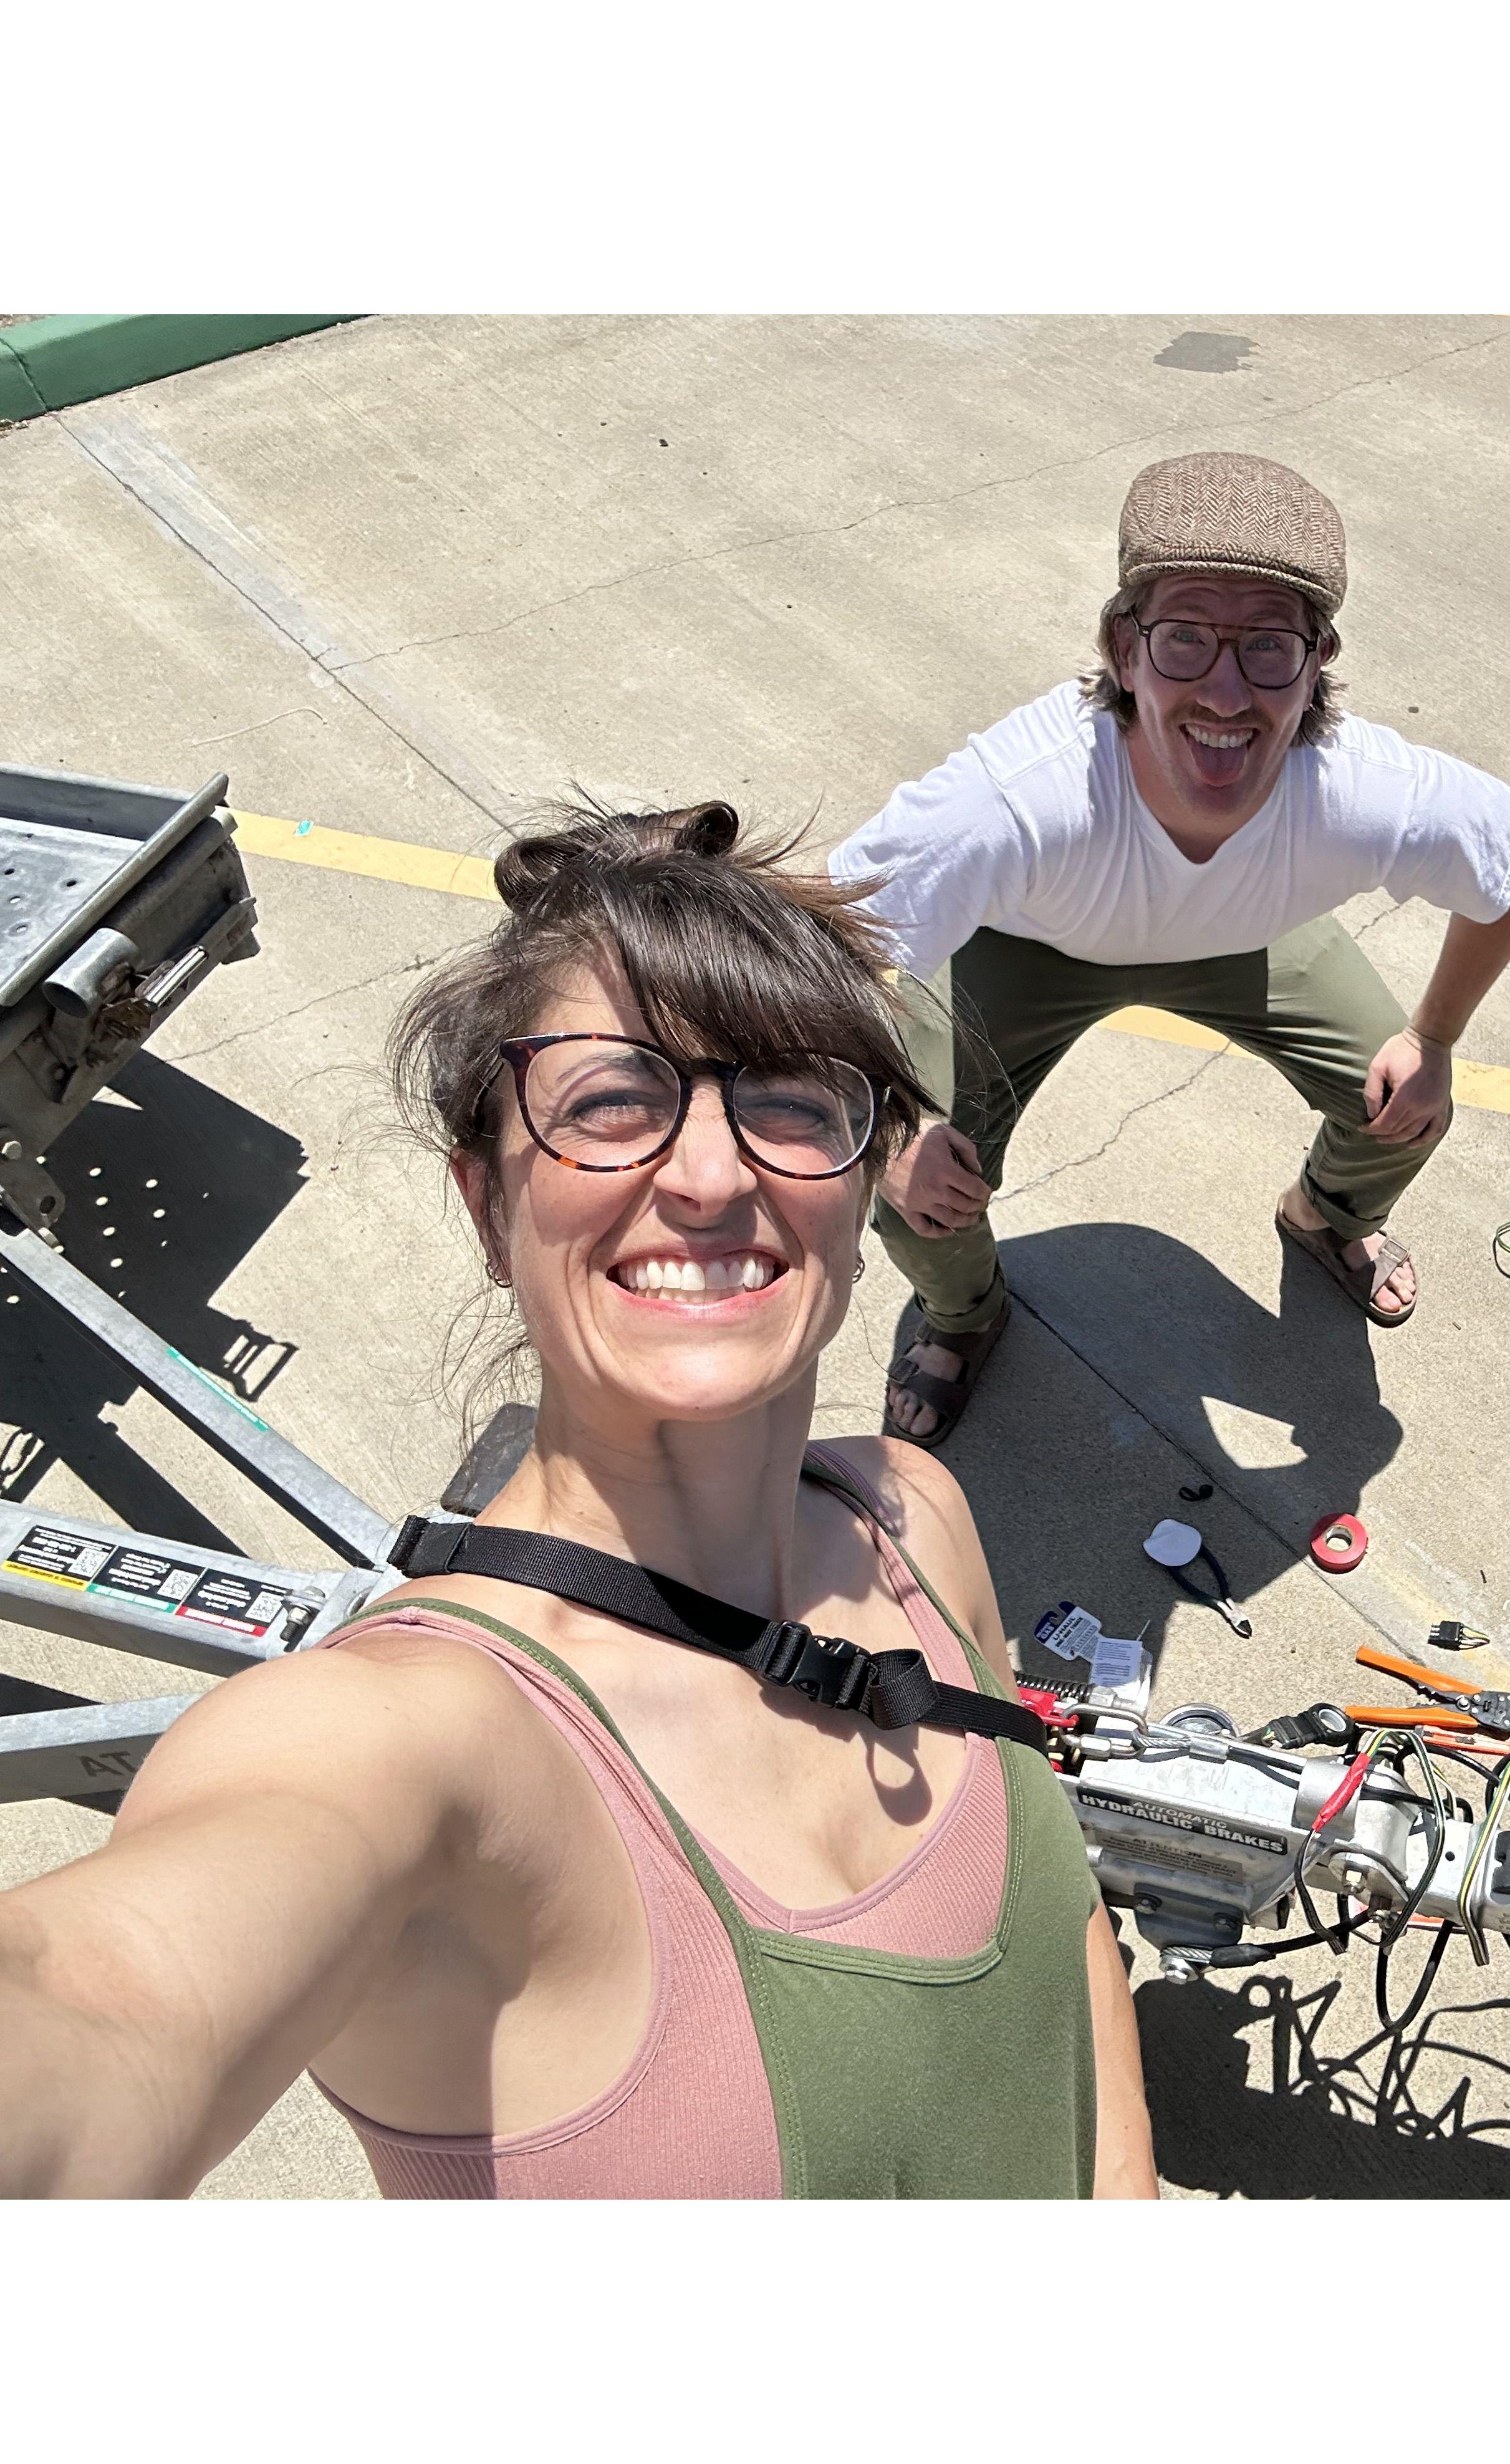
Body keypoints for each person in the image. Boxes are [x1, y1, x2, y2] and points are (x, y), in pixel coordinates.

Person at [0, 802, 1157, 2198]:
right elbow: (101, 1997)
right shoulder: (412, 1743)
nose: (713, 1174)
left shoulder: (912, 1513)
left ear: (864, 1198)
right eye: (609, 1103)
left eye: (795, 1101)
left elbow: (1068, 1931)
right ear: (489, 1207)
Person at [834, 450, 1510, 1445]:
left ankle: (1328, 1216)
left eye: (1268, 645)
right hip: (1030, 942)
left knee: (1403, 1104)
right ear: (1121, 648)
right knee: (906, 1180)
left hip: (1244, 934)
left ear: (1319, 659)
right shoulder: (1018, 796)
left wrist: (1434, 1038)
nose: (1225, 693)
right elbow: (818, 951)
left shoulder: (1362, 792)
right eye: (1184, 638)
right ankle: (965, 1313)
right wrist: (892, 1134)